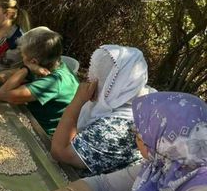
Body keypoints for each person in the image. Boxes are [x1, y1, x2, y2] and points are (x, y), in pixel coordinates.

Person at [35, 92, 207, 191]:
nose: (136, 138)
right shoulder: (162, 166)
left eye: (140, 135)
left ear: (162, 142)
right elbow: (105, 185)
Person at [50, 45, 154, 176]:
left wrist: (77, 102)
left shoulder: (113, 130)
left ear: (115, 82)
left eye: (98, 76)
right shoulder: (136, 93)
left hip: (83, 187)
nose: (90, 79)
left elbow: (60, 152)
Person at [0, 27, 78, 135]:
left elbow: (2, 94)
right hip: (32, 119)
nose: (22, 59)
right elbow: (16, 72)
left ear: (34, 61)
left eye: (23, 56)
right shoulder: (54, 64)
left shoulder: (52, 83)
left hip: (44, 135)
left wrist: (26, 68)